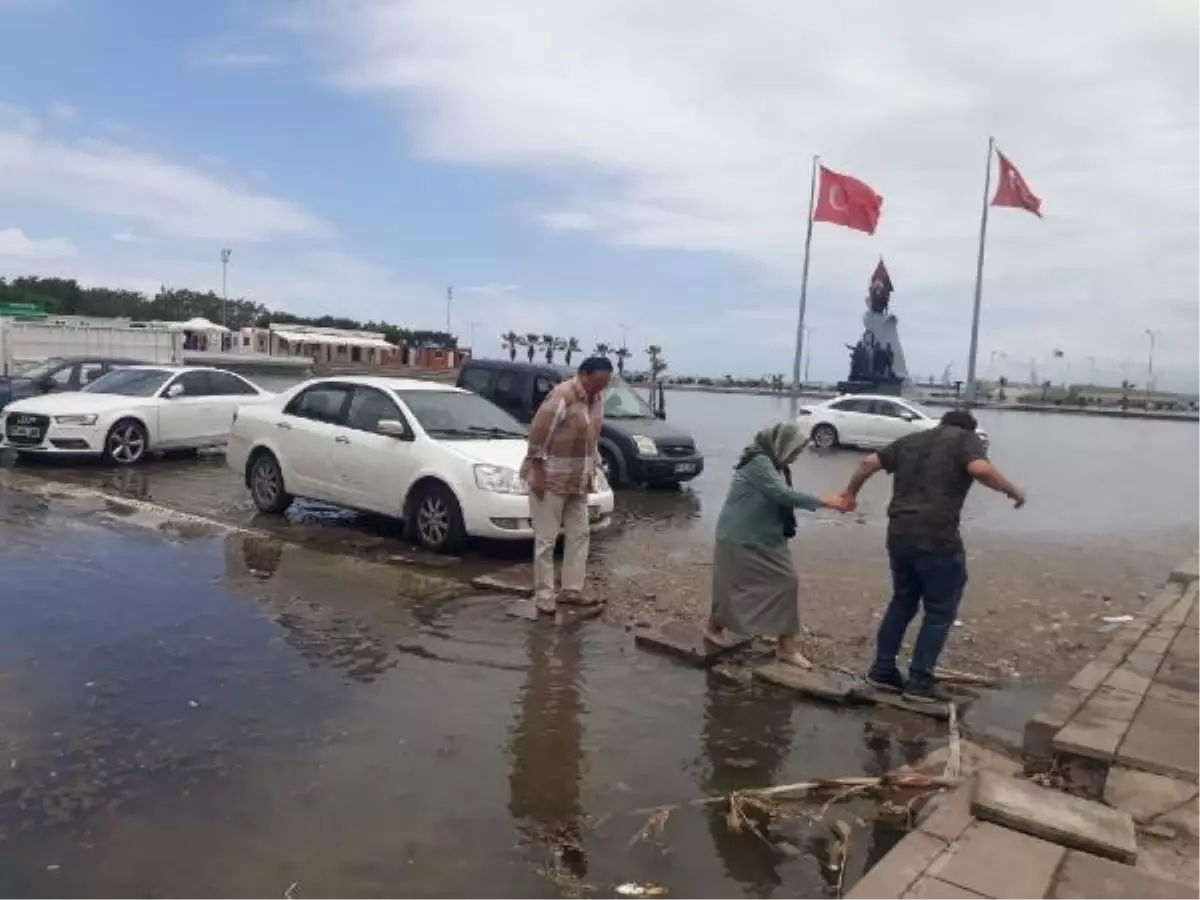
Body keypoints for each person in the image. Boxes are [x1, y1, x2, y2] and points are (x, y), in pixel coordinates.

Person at [839, 409, 1026, 703]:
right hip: (936, 536)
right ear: (969, 429)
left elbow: (868, 463)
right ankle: (920, 681)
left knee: (902, 602)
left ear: (942, 423)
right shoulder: (966, 439)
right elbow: (980, 469)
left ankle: (882, 671)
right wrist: (1012, 490)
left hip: (899, 533)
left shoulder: (912, 439)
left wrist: (850, 494)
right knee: (939, 610)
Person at [705, 423, 849, 668]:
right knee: (738, 585)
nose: (795, 457)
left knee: (782, 582)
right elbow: (782, 494)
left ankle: (784, 646)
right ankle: (717, 628)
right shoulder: (759, 462)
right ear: (781, 446)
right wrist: (826, 501)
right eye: (794, 451)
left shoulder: (773, 465)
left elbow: (779, 496)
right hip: (739, 536)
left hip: (765, 537)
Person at [521, 356, 613, 615]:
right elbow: (538, 434)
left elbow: (591, 438)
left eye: (605, 384)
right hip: (550, 478)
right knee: (546, 540)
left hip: (578, 479)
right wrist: (537, 471)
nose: (600, 389)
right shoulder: (562, 396)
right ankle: (544, 595)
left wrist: (597, 465)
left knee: (580, 534)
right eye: (597, 383)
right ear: (583, 374)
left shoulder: (597, 399)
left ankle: (571, 590)